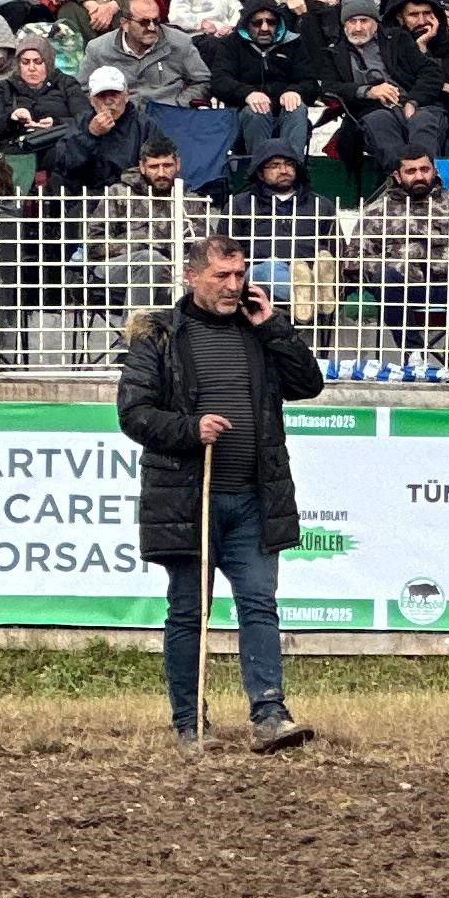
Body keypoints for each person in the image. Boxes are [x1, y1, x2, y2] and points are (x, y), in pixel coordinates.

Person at [116, 230, 323, 750]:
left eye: (240, 275)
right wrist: (190, 429)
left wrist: (273, 325)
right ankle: (189, 722)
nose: (234, 286)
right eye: (221, 277)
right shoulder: (158, 335)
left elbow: (308, 384)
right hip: (189, 497)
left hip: (255, 497)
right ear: (191, 276)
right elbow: (134, 413)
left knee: (259, 604)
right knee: (189, 610)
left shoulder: (258, 329)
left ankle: (270, 714)